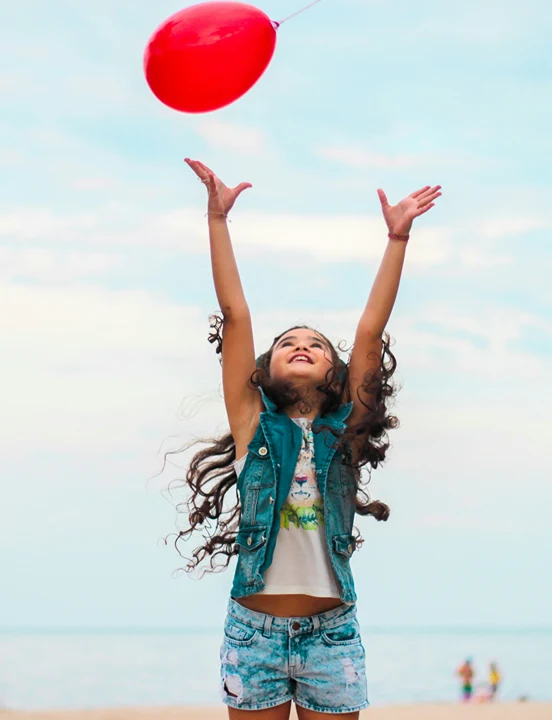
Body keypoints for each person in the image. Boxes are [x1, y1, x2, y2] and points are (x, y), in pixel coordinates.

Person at [178, 158, 441, 719]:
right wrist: (217, 220)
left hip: (332, 634)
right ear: (264, 371)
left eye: (316, 344)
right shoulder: (255, 428)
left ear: (338, 374)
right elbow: (235, 313)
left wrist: (397, 236)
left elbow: (370, 329)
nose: (301, 345)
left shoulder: (343, 435)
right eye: (287, 343)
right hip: (254, 633)